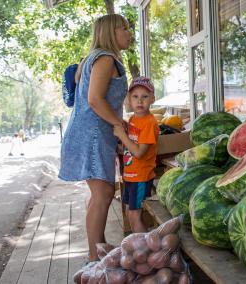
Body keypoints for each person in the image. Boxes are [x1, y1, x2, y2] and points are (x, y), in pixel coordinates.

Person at [58, 14, 131, 264]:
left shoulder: (95, 57)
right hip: (92, 135)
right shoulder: (105, 59)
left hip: (91, 133)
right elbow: (95, 100)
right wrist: (118, 123)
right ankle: (93, 258)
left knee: (101, 193)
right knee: (103, 194)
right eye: (124, 28)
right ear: (111, 32)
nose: (129, 33)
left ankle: (98, 248)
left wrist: (117, 122)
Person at [114, 77, 159, 233]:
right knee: (130, 213)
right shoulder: (133, 119)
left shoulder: (149, 123)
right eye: (135, 96)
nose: (140, 101)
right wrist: (120, 146)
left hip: (141, 177)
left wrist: (122, 135)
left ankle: (144, 251)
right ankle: (140, 246)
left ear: (152, 99)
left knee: (135, 215)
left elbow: (139, 153)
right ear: (129, 99)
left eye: (145, 96)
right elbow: (130, 147)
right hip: (130, 176)